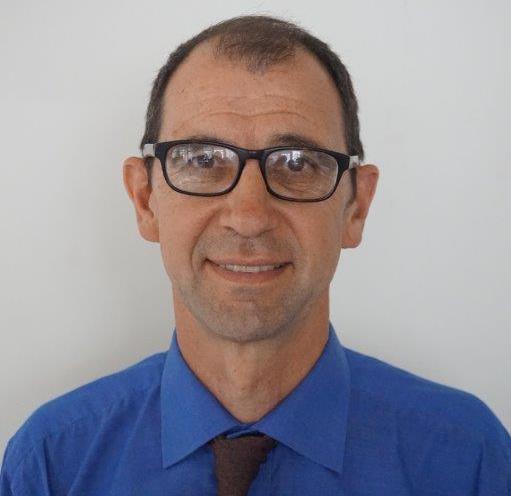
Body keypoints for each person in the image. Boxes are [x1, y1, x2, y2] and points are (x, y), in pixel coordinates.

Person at [1, 14, 510, 496]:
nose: (247, 216)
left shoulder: (469, 462)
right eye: (203, 160)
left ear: (356, 207)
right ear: (145, 200)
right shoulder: (52, 465)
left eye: (297, 163)